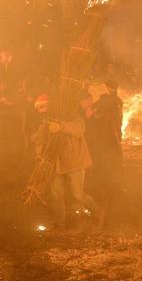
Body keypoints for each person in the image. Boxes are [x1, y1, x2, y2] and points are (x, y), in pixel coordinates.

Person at [31, 94, 100, 228]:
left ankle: (97, 212)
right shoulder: (44, 123)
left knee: (78, 194)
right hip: (55, 163)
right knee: (56, 194)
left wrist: (60, 127)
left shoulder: (71, 116)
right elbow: (41, 142)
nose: (41, 111)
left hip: (74, 161)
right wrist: (40, 154)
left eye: (44, 107)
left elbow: (79, 130)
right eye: (39, 108)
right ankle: (59, 222)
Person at [84, 82, 123, 217]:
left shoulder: (102, 105)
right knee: (107, 170)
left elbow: (97, 127)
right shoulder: (113, 102)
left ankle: (106, 199)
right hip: (108, 142)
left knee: (102, 171)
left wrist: (89, 116)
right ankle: (110, 196)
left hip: (102, 144)